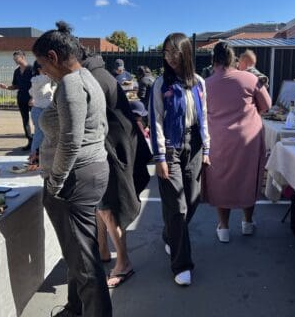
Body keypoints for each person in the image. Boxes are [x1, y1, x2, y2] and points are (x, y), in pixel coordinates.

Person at [33, 21, 112, 317]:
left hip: (76, 176)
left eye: (41, 64)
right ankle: (75, 308)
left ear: (52, 56)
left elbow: (70, 140)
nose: (41, 70)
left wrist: (55, 182)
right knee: (76, 252)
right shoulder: (87, 77)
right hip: (88, 171)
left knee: (84, 260)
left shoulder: (70, 84)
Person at [80, 49, 151, 289]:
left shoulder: (94, 78)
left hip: (113, 149)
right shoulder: (98, 73)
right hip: (117, 145)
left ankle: (124, 263)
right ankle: (101, 249)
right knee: (102, 205)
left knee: (109, 208)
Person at [149, 32, 210, 286]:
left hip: (194, 146)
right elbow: (156, 121)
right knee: (177, 207)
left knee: (193, 200)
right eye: (166, 53)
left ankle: (169, 236)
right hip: (171, 148)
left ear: (185, 53)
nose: (170, 58)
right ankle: (182, 264)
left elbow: (204, 116)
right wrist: (160, 157)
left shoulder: (198, 82)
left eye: (175, 53)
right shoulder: (160, 84)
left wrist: (207, 149)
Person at [204, 42, 271, 243]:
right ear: (233, 59)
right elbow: (267, 106)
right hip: (248, 139)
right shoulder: (251, 78)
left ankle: (223, 227)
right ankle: (247, 222)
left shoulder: (206, 84)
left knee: (221, 181)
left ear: (213, 61)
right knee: (248, 179)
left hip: (219, 140)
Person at [0, 50, 33, 150]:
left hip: (32, 99)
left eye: (16, 58)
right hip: (21, 98)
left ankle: (39, 143)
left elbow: (37, 84)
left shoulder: (32, 69)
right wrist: (7, 87)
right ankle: (30, 141)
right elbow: (16, 85)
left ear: (22, 57)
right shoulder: (16, 71)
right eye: (14, 59)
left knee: (37, 121)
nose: (15, 61)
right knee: (25, 121)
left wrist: (34, 98)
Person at [28, 61, 54, 164]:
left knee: (42, 135)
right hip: (40, 110)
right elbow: (54, 75)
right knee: (40, 135)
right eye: (46, 66)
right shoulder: (39, 79)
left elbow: (31, 92)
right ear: (40, 69)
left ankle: (38, 158)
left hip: (40, 110)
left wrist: (35, 97)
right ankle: (34, 159)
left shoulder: (38, 80)